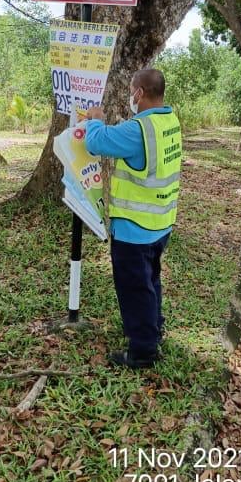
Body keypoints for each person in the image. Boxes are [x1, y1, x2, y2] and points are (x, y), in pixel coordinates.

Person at [84, 69, 182, 369]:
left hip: (135, 227)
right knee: (150, 280)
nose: (131, 97)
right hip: (161, 222)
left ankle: (142, 351)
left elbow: (97, 143)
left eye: (131, 91)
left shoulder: (138, 130)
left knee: (135, 288)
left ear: (139, 93)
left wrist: (94, 119)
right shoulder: (169, 121)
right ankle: (154, 329)